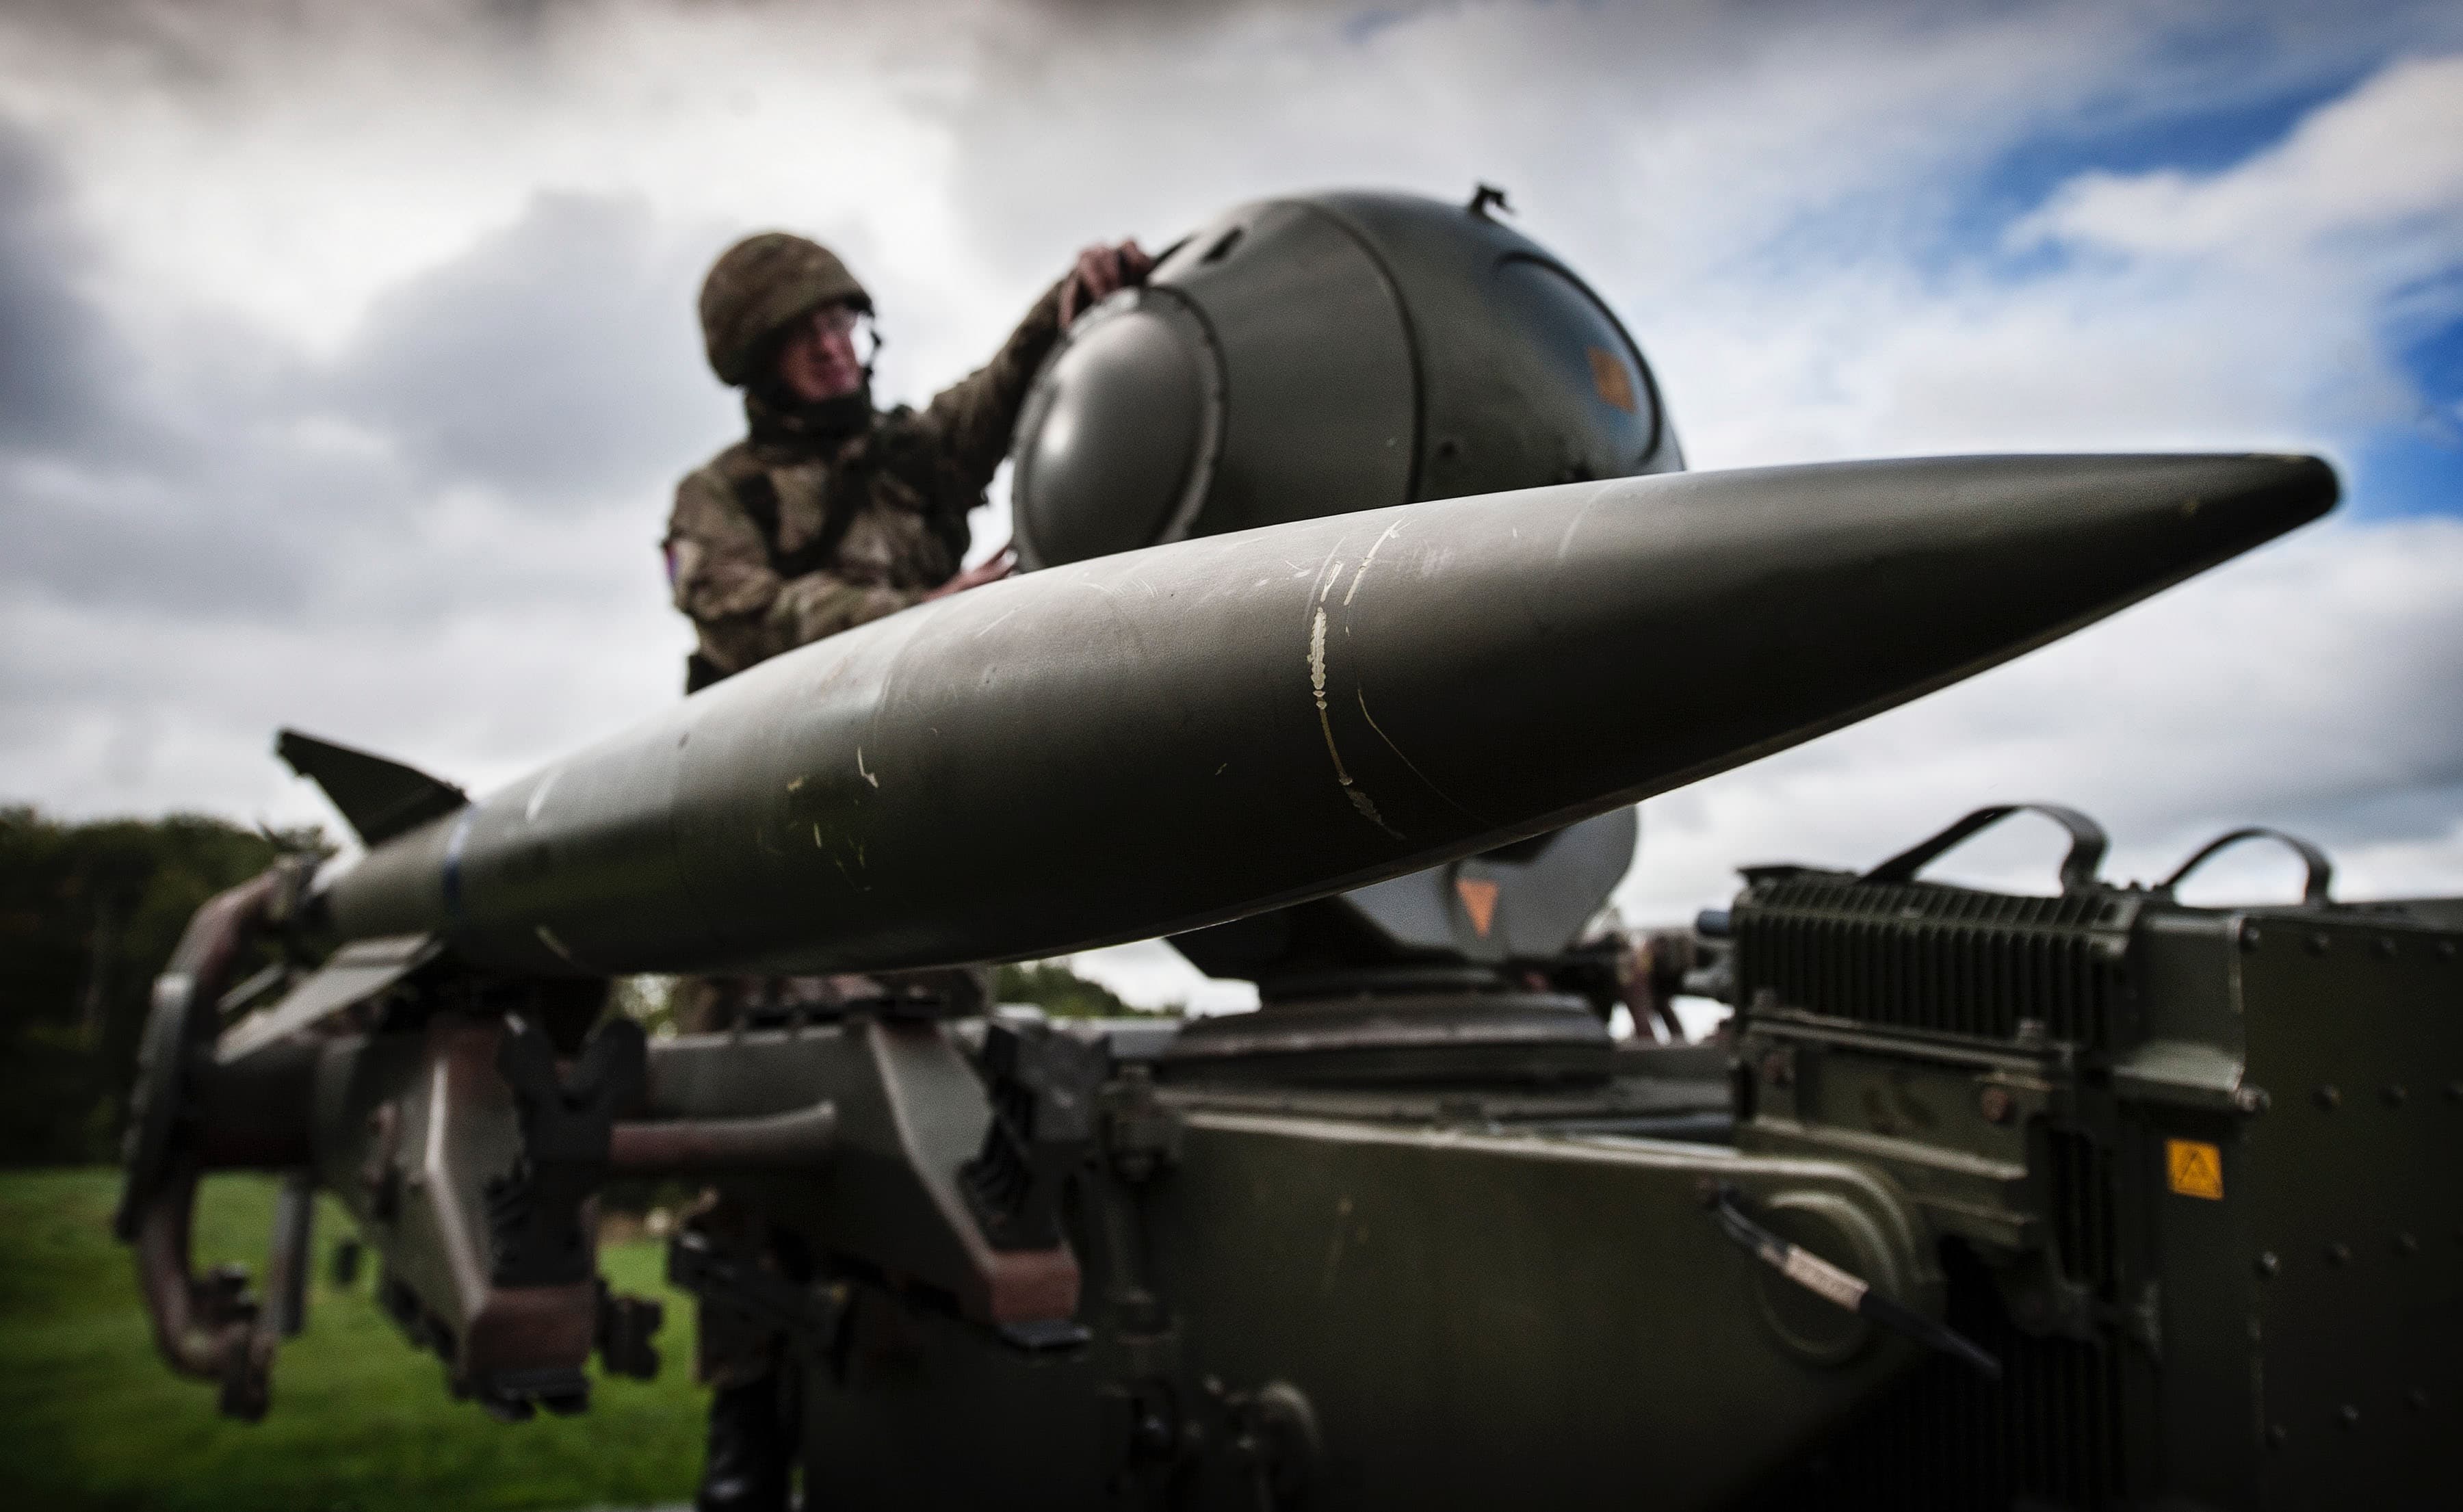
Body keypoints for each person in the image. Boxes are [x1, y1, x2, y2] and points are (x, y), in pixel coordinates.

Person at [664, 228, 1151, 1512]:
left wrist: (1069, 303)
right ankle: (748, 1438)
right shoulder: (719, 494)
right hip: (763, 866)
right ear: (755, 361)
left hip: (911, 866)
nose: (834, 346)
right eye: (803, 333)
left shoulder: (907, 463)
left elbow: (993, 403)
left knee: (951, 1133)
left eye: (844, 323)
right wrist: (922, 621)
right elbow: (748, 618)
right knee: (752, 1168)